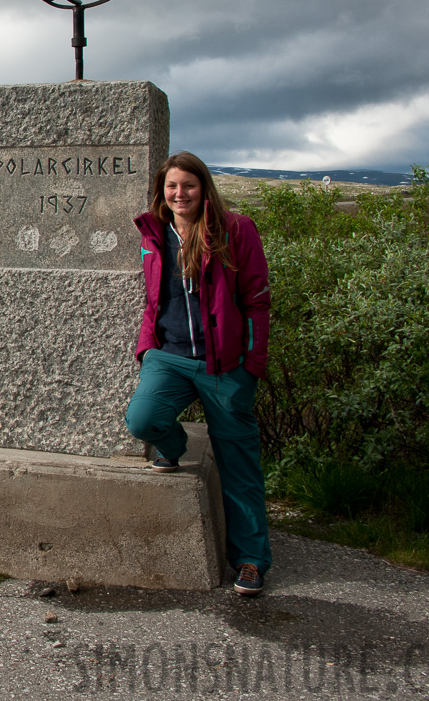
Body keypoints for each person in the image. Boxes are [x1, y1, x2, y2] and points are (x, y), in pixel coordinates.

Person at [123, 151, 272, 596]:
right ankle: (175, 447)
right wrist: (148, 348)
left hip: (224, 363)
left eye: (188, 185)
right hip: (168, 355)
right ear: (161, 192)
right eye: (172, 186)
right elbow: (156, 299)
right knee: (143, 421)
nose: (179, 193)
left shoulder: (236, 230)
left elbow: (257, 299)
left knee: (238, 462)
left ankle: (250, 559)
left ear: (204, 188)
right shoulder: (155, 233)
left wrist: (251, 364)